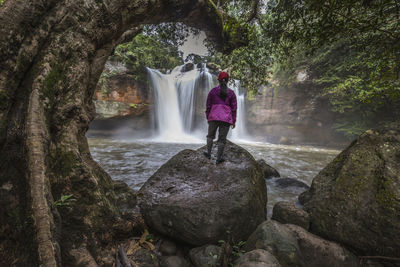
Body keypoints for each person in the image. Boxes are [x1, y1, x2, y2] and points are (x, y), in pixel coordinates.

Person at [204, 71, 237, 164]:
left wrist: (208, 117)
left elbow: (208, 106)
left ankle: (208, 153)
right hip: (226, 119)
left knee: (210, 136)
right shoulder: (231, 93)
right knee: (222, 140)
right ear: (227, 81)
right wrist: (233, 121)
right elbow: (234, 108)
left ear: (218, 80)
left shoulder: (213, 91)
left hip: (213, 117)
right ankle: (219, 158)